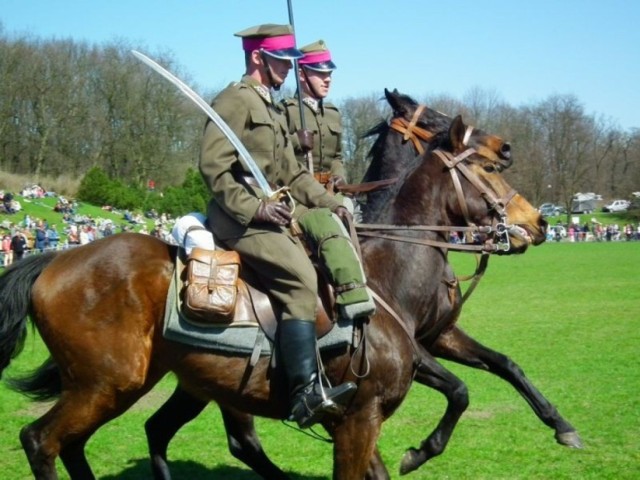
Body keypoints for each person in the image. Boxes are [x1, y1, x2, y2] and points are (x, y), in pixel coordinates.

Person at [199, 24, 363, 429]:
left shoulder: (270, 106)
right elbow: (213, 167)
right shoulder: (234, 101)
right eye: (280, 61)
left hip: (278, 208)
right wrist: (254, 209)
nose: (288, 70)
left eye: (291, 63)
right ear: (258, 57)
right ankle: (304, 392)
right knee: (301, 279)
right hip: (238, 217)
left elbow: (292, 173)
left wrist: (333, 203)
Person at [282, 40, 346, 187]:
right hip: (298, 192)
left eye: (329, 73)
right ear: (301, 74)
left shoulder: (333, 114)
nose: (328, 79)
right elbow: (276, 152)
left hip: (331, 191)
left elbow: (337, 157)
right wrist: (296, 141)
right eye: (320, 73)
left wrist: (339, 176)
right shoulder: (286, 111)